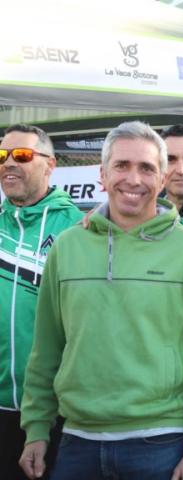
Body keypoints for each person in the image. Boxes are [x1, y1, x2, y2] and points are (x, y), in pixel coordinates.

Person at [18, 121, 183, 479]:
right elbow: (47, 347)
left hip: (163, 443)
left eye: (146, 168)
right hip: (77, 442)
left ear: (161, 179)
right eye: (122, 166)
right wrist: (37, 428)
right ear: (103, 175)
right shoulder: (67, 247)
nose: (133, 179)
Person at [0, 124, 82, 480]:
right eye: (2, 156)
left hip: (55, 414)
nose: (8, 163)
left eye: (21, 155)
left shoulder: (78, 228)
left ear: (50, 165)